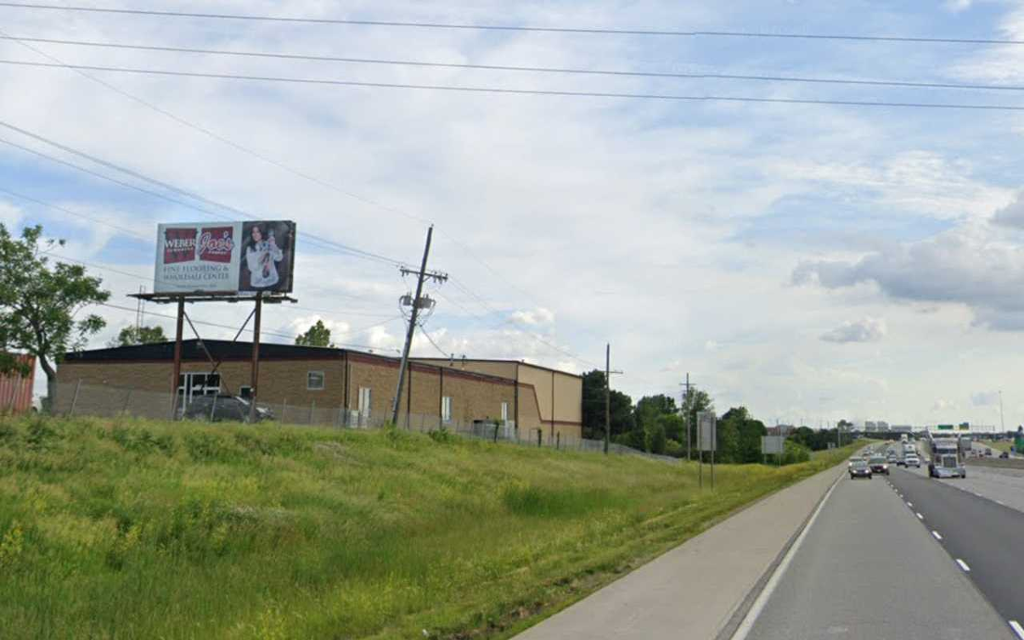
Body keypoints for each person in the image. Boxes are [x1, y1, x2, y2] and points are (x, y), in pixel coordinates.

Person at [244, 224, 283, 289]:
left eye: (257, 232)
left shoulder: (268, 244)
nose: (255, 234)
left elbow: (279, 258)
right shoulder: (250, 248)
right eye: (253, 232)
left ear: (261, 233)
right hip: (257, 283)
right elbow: (251, 267)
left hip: (272, 281)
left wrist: (273, 245)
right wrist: (263, 255)